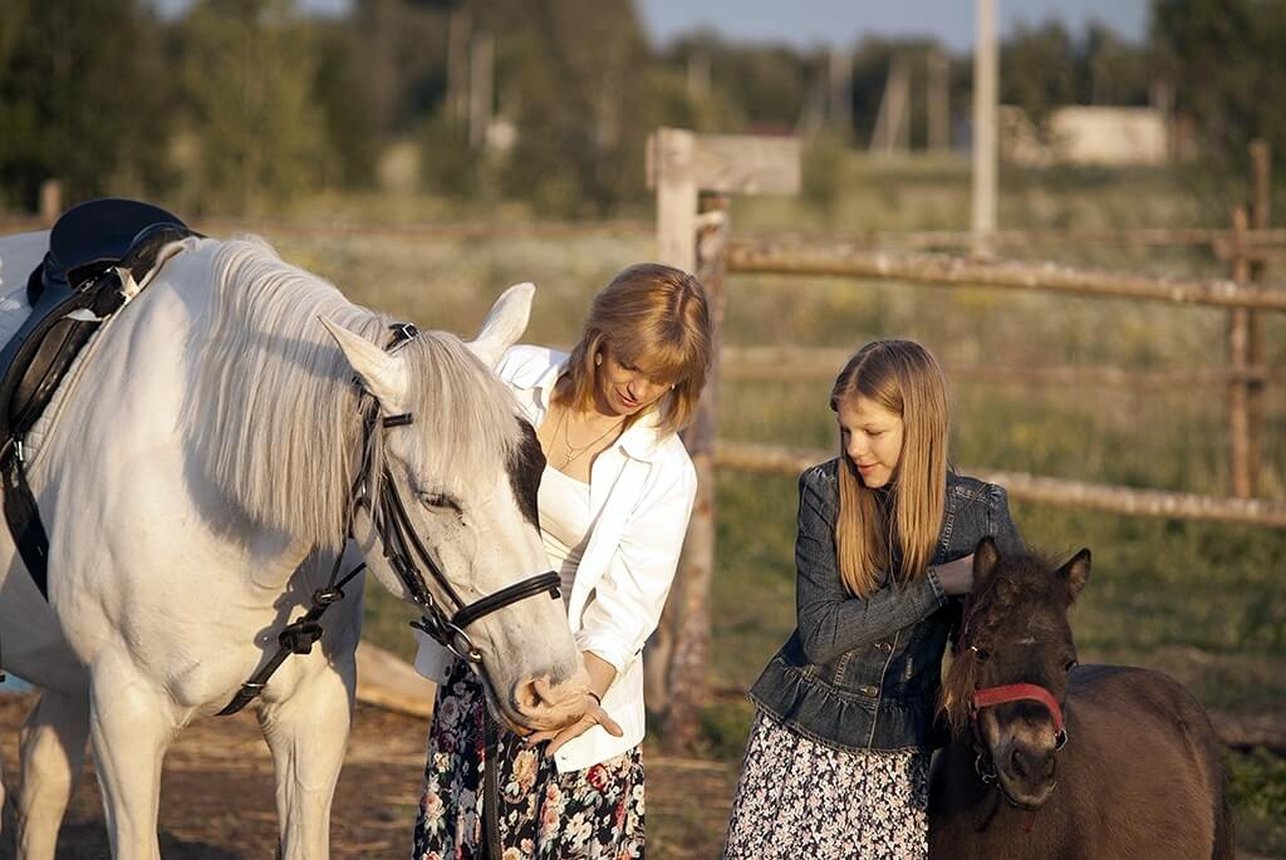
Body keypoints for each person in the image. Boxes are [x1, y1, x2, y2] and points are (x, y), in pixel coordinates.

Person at [411, 263, 712, 859]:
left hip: (568, 686)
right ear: (600, 340)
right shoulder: (511, 378)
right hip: (483, 659)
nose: (639, 389)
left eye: (661, 379)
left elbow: (627, 611)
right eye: (629, 364)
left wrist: (576, 698)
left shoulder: (667, 471)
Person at [723, 339, 1023, 860]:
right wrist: (938, 583)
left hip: (899, 755)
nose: (855, 449)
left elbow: (1018, 631)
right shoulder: (825, 491)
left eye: (872, 432)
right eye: (846, 431)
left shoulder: (982, 512)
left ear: (921, 425)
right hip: (802, 739)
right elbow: (821, 636)